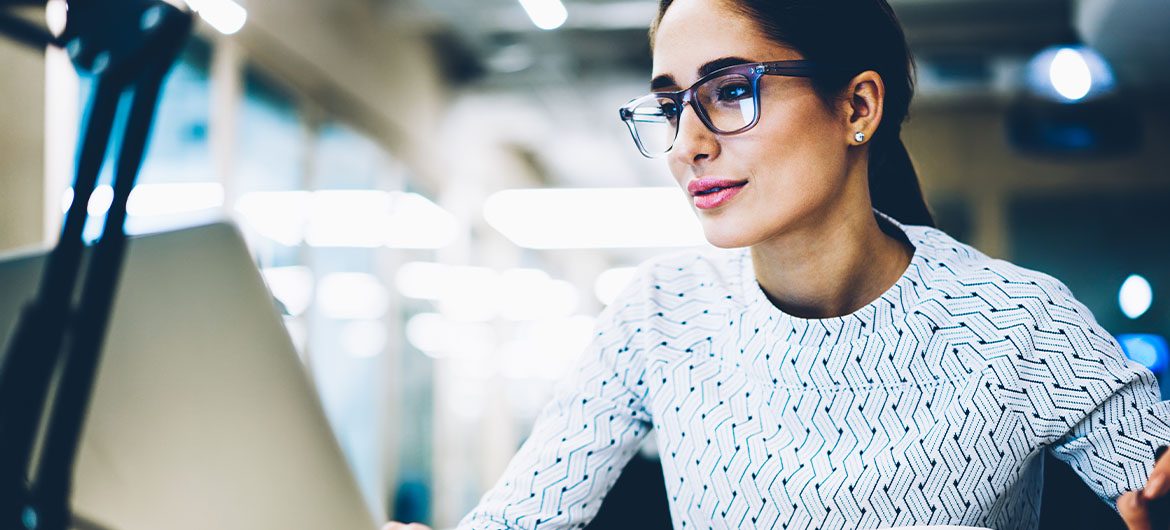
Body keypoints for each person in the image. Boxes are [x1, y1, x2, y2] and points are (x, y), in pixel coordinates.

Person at [385, 0, 1170, 528]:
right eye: (670, 103)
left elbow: (1154, 484)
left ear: (857, 107)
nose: (687, 142)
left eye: (730, 90)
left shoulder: (1015, 323)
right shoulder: (661, 316)